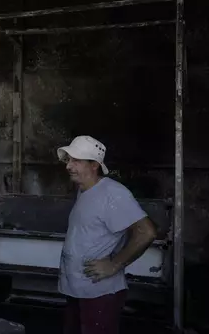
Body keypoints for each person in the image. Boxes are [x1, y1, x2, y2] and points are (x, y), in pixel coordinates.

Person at [57, 136, 157, 334]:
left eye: (76, 160)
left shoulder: (112, 194)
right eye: (68, 160)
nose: (69, 166)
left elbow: (146, 232)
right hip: (78, 288)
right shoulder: (84, 190)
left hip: (98, 293)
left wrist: (114, 264)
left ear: (94, 165)